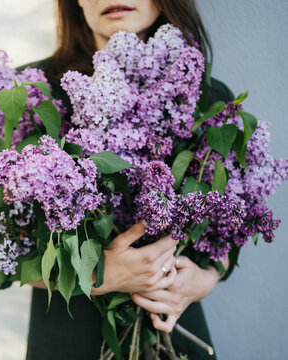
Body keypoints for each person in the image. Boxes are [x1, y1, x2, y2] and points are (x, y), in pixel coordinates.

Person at [21, 1, 233, 359]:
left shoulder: (208, 99)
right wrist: (98, 276)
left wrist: (205, 280)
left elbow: (232, 219)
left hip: (172, 330)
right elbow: (4, 253)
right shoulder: (33, 91)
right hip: (70, 337)